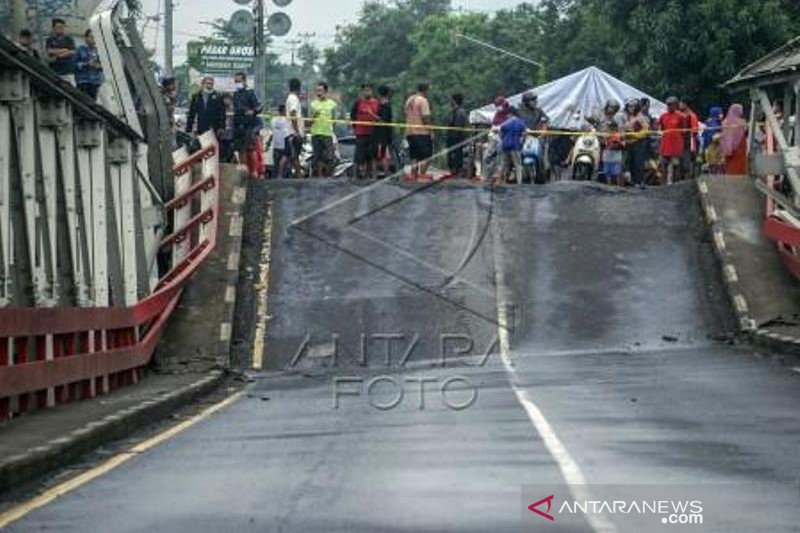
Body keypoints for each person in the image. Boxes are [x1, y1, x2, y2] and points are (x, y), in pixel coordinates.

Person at [233, 72, 264, 179]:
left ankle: (254, 171)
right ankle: (243, 171)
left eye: (239, 81)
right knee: (241, 150)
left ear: (244, 81)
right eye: (236, 81)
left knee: (251, 149)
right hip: (238, 125)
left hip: (249, 125)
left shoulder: (250, 93)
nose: (237, 83)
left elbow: (259, 107)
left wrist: (252, 112)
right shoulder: (236, 94)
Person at [404, 83, 434, 180]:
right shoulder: (423, 101)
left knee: (414, 156)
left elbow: (405, 114)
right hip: (422, 132)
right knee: (427, 155)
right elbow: (425, 117)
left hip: (410, 132)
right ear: (425, 90)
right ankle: (422, 174)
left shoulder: (409, 100)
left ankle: (414, 174)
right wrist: (431, 130)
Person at [351, 83, 380, 179]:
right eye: (365, 90)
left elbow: (380, 119)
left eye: (369, 90)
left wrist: (371, 114)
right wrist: (355, 128)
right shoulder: (358, 103)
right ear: (362, 92)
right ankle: (355, 176)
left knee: (372, 156)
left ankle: (373, 176)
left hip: (373, 133)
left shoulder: (377, 103)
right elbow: (353, 116)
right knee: (358, 156)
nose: (367, 92)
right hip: (360, 133)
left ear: (372, 91)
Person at [309, 82, 338, 178]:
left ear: (325, 92)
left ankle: (329, 176)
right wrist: (314, 116)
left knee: (330, 157)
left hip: (327, 134)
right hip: (316, 133)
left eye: (320, 90)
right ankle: (319, 177)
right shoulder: (313, 104)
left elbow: (334, 120)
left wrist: (331, 128)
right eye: (317, 90)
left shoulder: (332, 104)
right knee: (318, 157)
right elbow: (309, 121)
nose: (318, 93)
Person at [658, 96, 686, 185]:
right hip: (665, 143)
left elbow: (684, 130)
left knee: (675, 164)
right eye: (668, 105)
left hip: (676, 144)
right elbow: (661, 128)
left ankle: (675, 183)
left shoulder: (681, 116)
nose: (669, 106)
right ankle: (663, 183)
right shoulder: (663, 116)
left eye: (671, 105)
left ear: (675, 105)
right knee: (663, 164)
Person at [496, 106, 526, 185]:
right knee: (518, 165)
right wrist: (521, 143)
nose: (506, 115)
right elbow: (524, 134)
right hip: (515, 146)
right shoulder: (520, 122)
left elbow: (500, 132)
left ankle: (499, 182)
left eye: (507, 114)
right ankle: (519, 183)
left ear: (511, 114)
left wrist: (502, 139)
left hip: (505, 145)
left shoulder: (505, 123)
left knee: (503, 164)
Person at [623, 98, 650, 188]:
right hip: (628, 142)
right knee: (629, 162)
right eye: (629, 106)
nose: (631, 108)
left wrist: (635, 135)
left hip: (639, 142)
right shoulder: (626, 117)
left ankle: (639, 181)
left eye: (633, 106)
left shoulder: (640, 117)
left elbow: (646, 130)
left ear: (637, 107)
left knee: (638, 162)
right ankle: (632, 181)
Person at [45, 18, 76, 85]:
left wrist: (59, 55)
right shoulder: (50, 39)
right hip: (55, 71)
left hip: (68, 71)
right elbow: (49, 51)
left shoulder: (69, 39)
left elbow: (72, 52)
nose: (60, 29)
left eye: (62, 27)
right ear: (53, 28)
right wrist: (63, 50)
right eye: (58, 27)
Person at [75, 30, 103, 100]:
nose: (93, 39)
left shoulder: (99, 51)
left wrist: (99, 66)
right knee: (82, 102)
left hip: (95, 82)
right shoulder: (80, 49)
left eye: (95, 37)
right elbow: (74, 65)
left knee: (93, 103)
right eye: (91, 37)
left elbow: (105, 66)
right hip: (83, 81)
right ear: (86, 38)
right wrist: (86, 64)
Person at [721, 103, 748, 176]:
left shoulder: (725, 122)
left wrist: (727, 150)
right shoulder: (742, 122)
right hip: (739, 148)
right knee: (739, 168)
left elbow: (725, 137)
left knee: (731, 169)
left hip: (729, 149)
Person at [446, 93, 469, 178]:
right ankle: (454, 171)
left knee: (457, 158)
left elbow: (458, 128)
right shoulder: (453, 112)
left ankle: (458, 172)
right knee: (451, 158)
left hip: (457, 139)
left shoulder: (460, 112)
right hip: (452, 139)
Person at [285, 78, 305, 178]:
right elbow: (293, 113)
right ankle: (298, 176)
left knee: (293, 156)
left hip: (291, 132)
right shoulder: (293, 98)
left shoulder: (290, 98)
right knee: (295, 156)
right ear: (299, 88)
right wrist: (297, 131)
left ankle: (294, 174)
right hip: (294, 133)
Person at [373, 85, 394, 177]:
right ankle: (379, 173)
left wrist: (372, 114)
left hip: (383, 133)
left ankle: (386, 173)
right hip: (381, 133)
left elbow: (383, 120)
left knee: (383, 154)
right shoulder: (382, 104)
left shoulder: (384, 105)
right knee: (381, 154)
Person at [679, 98, 700, 179]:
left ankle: (689, 180)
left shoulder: (692, 116)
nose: (679, 105)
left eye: (681, 104)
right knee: (681, 162)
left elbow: (695, 131)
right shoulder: (680, 115)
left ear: (685, 104)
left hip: (689, 142)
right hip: (681, 142)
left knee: (687, 163)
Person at [271, 104, 291, 178]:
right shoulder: (286, 119)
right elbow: (288, 131)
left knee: (277, 158)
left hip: (276, 141)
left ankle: (276, 174)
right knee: (285, 156)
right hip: (284, 139)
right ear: (284, 111)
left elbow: (272, 130)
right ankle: (280, 173)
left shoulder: (273, 119)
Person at [603, 122, 625, 186]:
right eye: (611, 128)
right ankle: (608, 185)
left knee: (617, 172)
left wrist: (616, 144)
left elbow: (623, 145)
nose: (612, 129)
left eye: (613, 128)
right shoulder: (606, 135)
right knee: (607, 172)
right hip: (607, 155)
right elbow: (603, 143)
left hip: (616, 155)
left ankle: (618, 185)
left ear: (616, 128)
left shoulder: (620, 135)